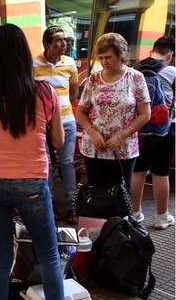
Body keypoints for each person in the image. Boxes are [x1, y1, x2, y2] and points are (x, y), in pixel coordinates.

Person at [0, 24, 89, 300]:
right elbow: (58, 142)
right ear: (24, 56)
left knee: (1, 257)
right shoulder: (45, 93)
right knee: (49, 256)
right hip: (33, 184)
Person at [75, 33, 151, 192]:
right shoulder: (93, 79)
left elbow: (145, 114)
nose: (104, 62)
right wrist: (92, 133)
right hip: (94, 148)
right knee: (96, 195)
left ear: (121, 55)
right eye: (101, 57)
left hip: (124, 148)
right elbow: (81, 112)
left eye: (108, 57)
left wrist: (121, 136)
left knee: (121, 194)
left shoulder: (135, 78)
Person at [33, 26, 80, 224]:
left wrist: (62, 109)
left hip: (67, 121)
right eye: (59, 40)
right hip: (43, 124)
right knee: (48, 164)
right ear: (47, 44)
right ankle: (49, 208)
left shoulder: (70, 63)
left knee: (67, 163)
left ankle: (72, 208)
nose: (64, 44)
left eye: (64, 40)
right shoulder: (33, 64)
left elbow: (73, 92)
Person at [131, 35, 175, 229]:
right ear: (170, 55)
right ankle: (161, 217)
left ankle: (135, 213)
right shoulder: (172, 71)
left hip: (139, 128)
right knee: (161, 172)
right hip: (165, 129)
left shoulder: (135, 68)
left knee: (138, 170)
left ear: (152, 51)